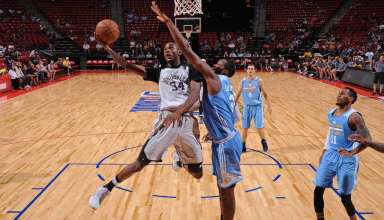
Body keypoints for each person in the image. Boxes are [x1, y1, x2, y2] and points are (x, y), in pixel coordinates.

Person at [151, 2, 242, 219]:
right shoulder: (225, 86)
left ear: (223, 70)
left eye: (217, 64)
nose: (213, 64)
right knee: (223, 187)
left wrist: (168, 22)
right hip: (228, 138)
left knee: (226, 190)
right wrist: (216, 128)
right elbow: (234, 115)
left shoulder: (214, 79)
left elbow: (186, 50)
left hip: (225, 145)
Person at [89, 41, 204, 208]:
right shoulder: (159, 72)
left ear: (179, 50)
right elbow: (127, 64)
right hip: (167, 120)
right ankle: (105, 189)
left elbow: (195, 96)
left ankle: (179, 156)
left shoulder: (191, 70)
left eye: (171, 48)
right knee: (140, 163)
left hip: (186, 120)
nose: (167, 51)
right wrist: (108, 49)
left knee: (197, 174)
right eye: (165, 49)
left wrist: (179, 111)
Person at [314, 87, 371, 220]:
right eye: (339, 93)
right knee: (318, 190)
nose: (339, 95)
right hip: (330, 155)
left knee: (345, 197)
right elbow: (331, 132)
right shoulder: (332, 112)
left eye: (343, 94)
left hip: (346, 159)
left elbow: (368, 139)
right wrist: (324, 150)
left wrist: (353, 152)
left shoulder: (354, 117)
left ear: (350, 99)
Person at [235, 63, 272, 152]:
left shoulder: (259, 81)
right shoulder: (243, 81)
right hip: (247, 107)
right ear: (246, 70)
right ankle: (243, 145)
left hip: (257, 107)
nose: (250, 70)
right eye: (249, 68)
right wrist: (233, 105)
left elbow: (265, 94)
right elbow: (238, 94)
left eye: (252, 68)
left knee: (259, 126)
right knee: (245, 127)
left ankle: (263, 141)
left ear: (255, 70)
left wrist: (269, 106)